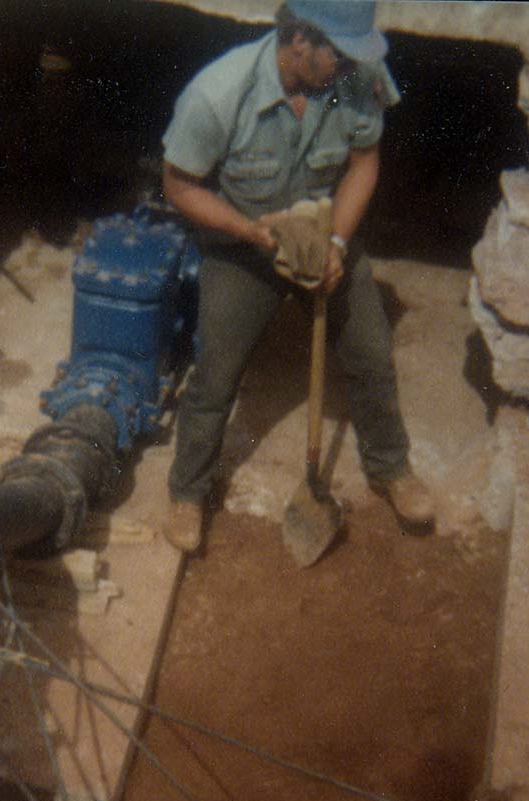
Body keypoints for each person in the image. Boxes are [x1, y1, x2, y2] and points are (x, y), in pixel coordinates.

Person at [160, 0, 435, 554]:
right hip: (248, 243)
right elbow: (179, 185)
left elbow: (363, 164)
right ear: (299, 40)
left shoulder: (357, 76)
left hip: (323, 232)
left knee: (371, 353)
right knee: (216, 369)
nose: (349, 63)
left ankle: (390, 468)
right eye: (338, 49)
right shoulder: (218, 92)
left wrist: (334, 243)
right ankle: (188, 492)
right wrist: (250, 232)